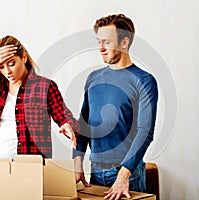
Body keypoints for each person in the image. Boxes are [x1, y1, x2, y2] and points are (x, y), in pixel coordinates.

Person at [0, 35, 79, 165]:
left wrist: (66, 124)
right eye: (1, 66)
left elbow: (62, 114)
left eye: (11, 64)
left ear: (24, 58)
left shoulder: (44, 86)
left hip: (31, 166)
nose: (7, 72)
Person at [73, 14, 158, 200]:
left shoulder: (144, 80)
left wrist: (123, 175)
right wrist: (78, 161)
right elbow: (84, 123)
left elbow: (145, 132)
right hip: (95, 172)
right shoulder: (93, 78)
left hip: (127, 174)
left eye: (107, 42)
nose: (101, 48)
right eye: (99, 42)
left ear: (124, 42)